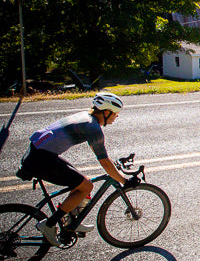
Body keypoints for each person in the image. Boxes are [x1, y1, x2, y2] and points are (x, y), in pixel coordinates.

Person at [17, 92, 129, 246]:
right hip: (41, 159)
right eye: (116, 113)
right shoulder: (93, 128)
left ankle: (70, 220)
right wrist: (124, 180)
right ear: (107, 112)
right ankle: (49, 224)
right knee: (86, 186)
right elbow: (104, 161)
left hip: (38, 152)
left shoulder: (86, 116)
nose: (117, 117)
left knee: (83, 182)